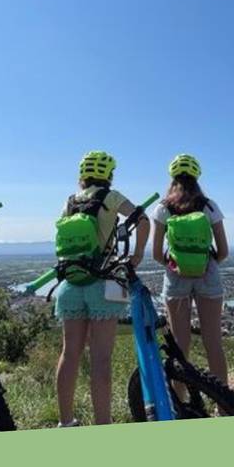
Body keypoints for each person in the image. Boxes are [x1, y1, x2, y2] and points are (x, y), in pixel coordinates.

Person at [53, 151, 149, 427]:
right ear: (108, 175)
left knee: (69, 353)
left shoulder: (70, 201)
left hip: (71, 283)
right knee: (101, 358)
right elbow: (143, 221)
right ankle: (103, 424)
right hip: (105, 282)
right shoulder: (112, 197)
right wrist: (137, 255)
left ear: (82, 176)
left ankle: (65, 421)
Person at [151, 154, 229, 386]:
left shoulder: (163, 208)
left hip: (176, 278)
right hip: (208, 274)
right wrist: (206, 261)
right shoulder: (209, 206)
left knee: (180, 345)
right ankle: (223, 405)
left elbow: (156, 254)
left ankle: (182, 405)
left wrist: (176, 263)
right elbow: (223, 250)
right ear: (197, 178)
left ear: (172, 179)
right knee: (213, 342)